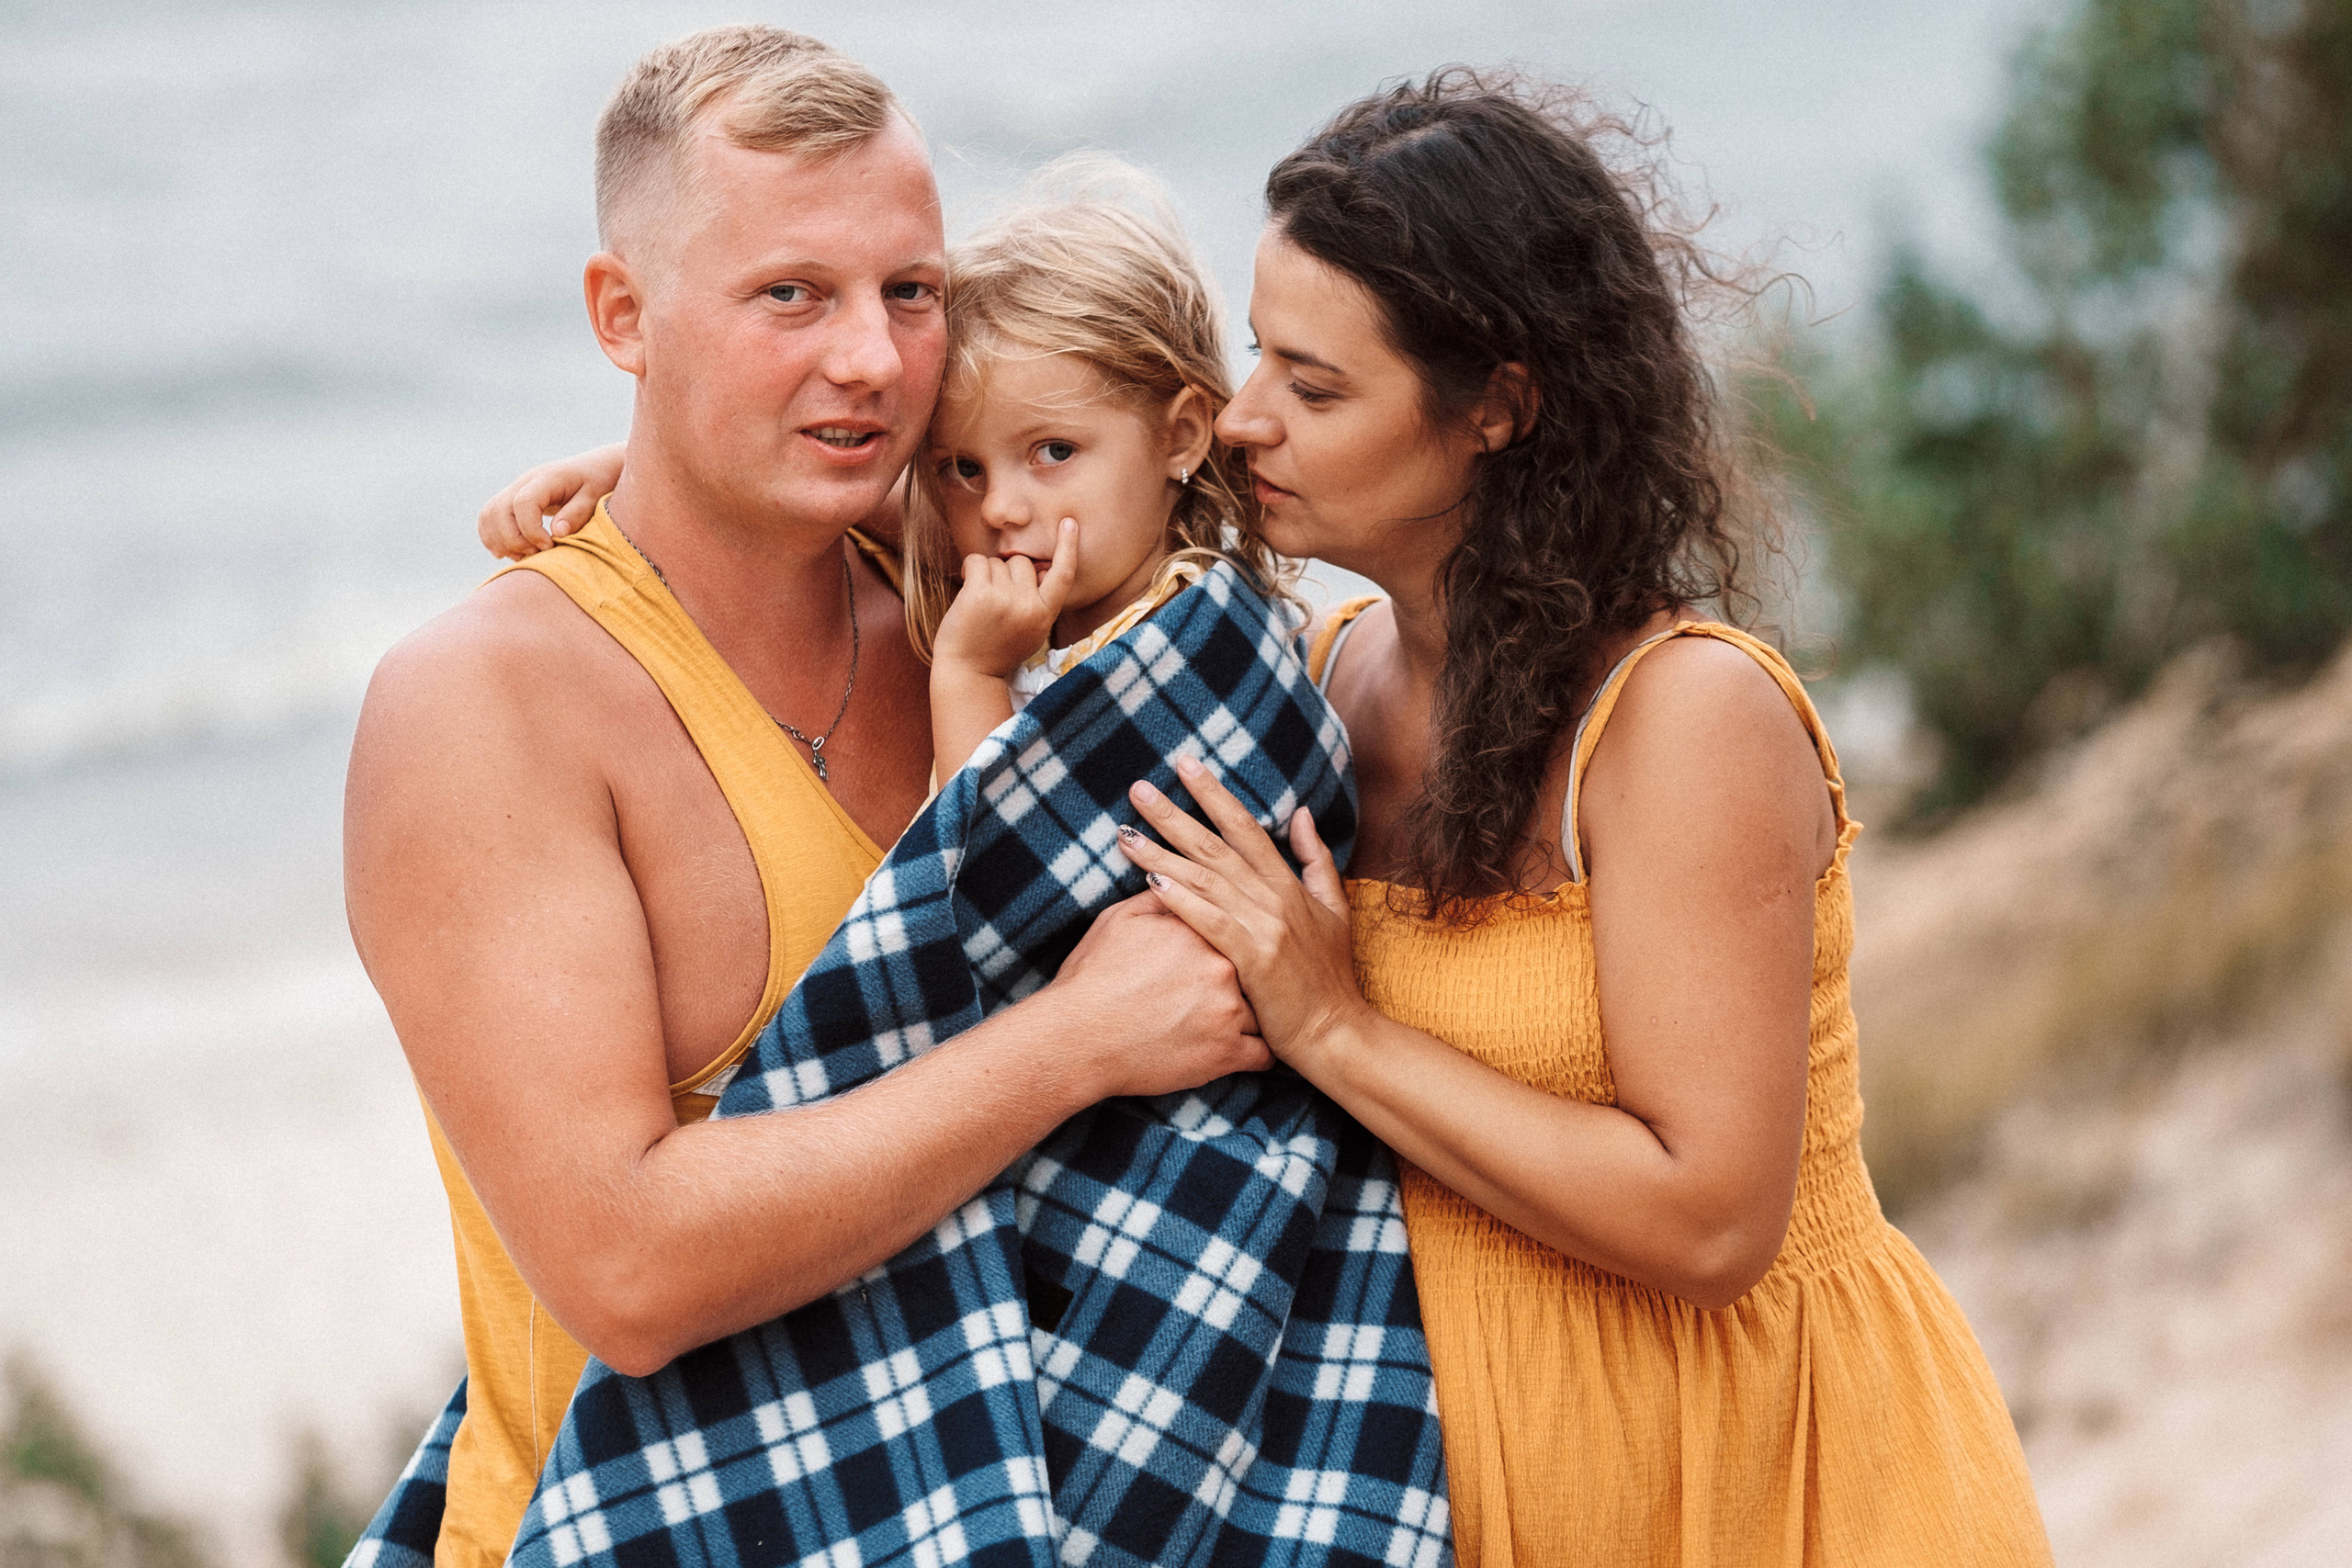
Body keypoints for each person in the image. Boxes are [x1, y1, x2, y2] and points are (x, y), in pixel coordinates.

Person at [342, 28, 1267, 1566]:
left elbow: (1252, 518)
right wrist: (1077, 1041)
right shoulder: (483, 706)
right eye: (790, 294)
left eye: (910, 291)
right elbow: (628, 1267)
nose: (874, 361)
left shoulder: (973, 582)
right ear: (623, 316)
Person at [1112, 71, 2056, 1565]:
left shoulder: (1684, 720)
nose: (1240, 422)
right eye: (1255, 354)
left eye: (1316, 386)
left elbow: (1710, 1221)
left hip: (1769, 1487)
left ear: (1497, 405)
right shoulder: (1310, 683)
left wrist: (1336, 1026)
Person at [487, 175, 1291, 784]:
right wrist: (626, 469)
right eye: (963, 467)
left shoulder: (1186, 645)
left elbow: (989, 882)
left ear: (1180, 436)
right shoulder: (1030, 559)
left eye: (1054, 452)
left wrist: (972, 673)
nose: (1001, 507)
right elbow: (872, 498)